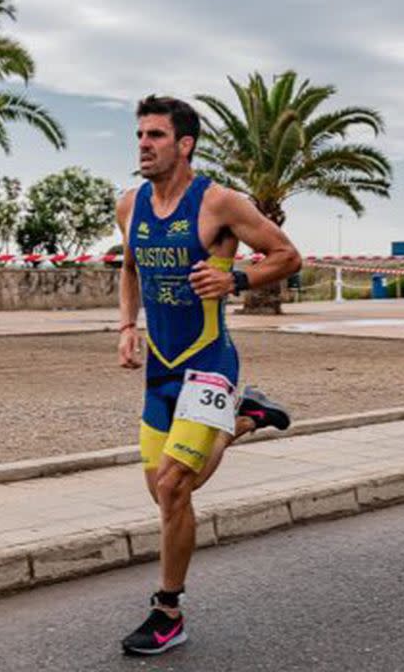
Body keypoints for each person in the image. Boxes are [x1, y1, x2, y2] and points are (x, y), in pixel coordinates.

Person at [116, 95, 302, 656]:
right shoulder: (130, 206)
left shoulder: (219, 203)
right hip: (160, 369)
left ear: (184, 144)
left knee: (175, 485)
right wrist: (127, 326)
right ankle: (247, 417)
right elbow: (128, 268)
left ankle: (167, 611)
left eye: (156, 136)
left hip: (209, 362)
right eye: (140, 135)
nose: (144, 145)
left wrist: (238, 282)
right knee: (165, 494)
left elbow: (288, 255)